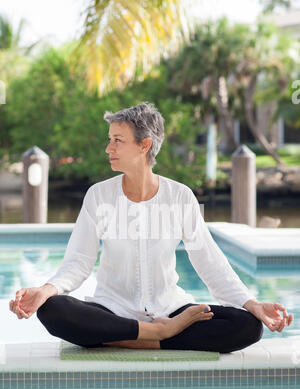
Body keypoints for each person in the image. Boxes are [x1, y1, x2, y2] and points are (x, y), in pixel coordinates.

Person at [9, 102, 293, 353]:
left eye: (118, 140)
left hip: (170, 308)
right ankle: (159, 334)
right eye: (110, 140)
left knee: (247, 326)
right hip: (113, 309)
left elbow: (209, 261)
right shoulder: (98, 196)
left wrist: (250, 303)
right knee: (53, 310)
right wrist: (47, 289)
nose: (109, 148)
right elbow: (78, 262)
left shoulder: (180, 196)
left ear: (144, 145)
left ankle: (125, 338)